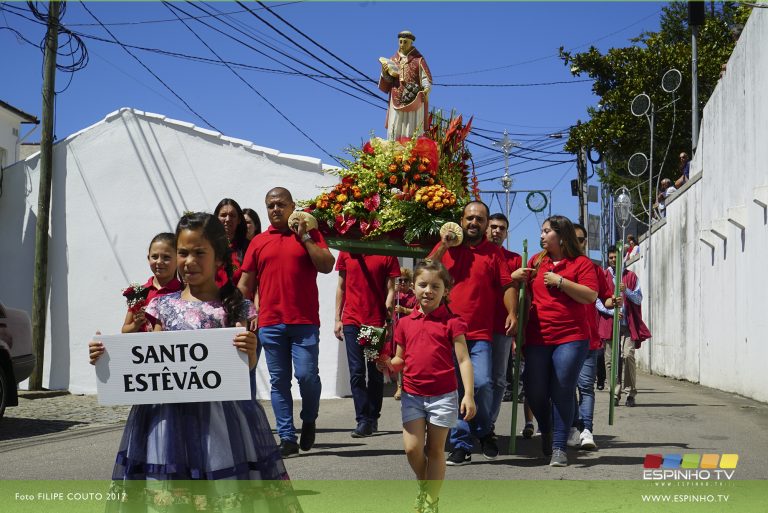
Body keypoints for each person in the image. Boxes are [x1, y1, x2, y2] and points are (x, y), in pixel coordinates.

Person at [88, 213, 294, 507]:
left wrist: (248, 349)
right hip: (165, 418)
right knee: (167, 490)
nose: (189, 261)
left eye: (200, 253)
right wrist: (108, 357)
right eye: (183, 253)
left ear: (219, 259)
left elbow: (244, 368)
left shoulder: (235, 308)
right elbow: (151, 357)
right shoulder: (161, 306)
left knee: (220, 487)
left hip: (220, 419)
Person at [238, 187, 335, 458]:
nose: (275, 210)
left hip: (304, 321)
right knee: (279, 381)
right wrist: (235, 312)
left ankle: (309, 417)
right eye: (270, 205)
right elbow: (245, 285)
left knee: (306, 376)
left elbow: (327, 265)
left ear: (293, 206)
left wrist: (304, 238)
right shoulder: (258, 242)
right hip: (270, 323)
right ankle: (287, 437)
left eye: (281, 204)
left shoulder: (310, 234)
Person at [378, 260, 475, 513]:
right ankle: (426, 488)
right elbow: (400, 359)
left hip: (443, 396)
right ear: (413, 287)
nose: (428, 291)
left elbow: (464, 360)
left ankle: (431, 500)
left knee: (435, 450)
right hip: (412, 395)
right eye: (422, 285)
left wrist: (469, 394)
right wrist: (386, 363)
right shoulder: (405, 323)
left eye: (435, 286)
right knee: (412, 449)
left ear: (446, 290)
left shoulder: (452, 322)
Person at [428, 201, 517, 466]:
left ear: (486, 224)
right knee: (454, 390)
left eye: (479, 219)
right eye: (469, 218)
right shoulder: (446, 249)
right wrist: (444, 244)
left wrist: (512, 312)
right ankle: (463, 443)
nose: (474, 223)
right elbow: (427, 270)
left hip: (479, 334)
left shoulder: (493, 253)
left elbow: (507, 285)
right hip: (448, 333)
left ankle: (484, 428)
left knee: (481, 384)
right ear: (461, 220)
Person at [519, 215, 598, 467]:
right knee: (534, 391)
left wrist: (561, 282)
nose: (541, 236)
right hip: (537, 336)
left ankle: (559, 447)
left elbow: (590, 296)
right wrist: (514, 276)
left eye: (546, 232)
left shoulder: (581, 263)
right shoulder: (536, 261)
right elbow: (520, 291)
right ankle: (547, 427)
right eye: (541, 231)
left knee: (562, 388)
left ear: (561, 236)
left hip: (571, 337)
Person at [334, 251, 399, 437]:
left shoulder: (386, 251)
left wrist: (388, 316)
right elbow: (341, 286)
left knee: (375, 372)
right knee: (356, 371)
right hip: (352, 322)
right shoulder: (346, 251)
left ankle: (372, 417)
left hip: (374, 322)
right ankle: (362, 420)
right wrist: (337, 319)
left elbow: (391, 288)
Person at [567, 223, 613, 451]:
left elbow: (605, 298)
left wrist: (613, 301)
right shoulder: (558, 266)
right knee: (566, 387)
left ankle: (586, 430)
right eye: (574, 239)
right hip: (564, 339)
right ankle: (574, 425)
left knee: (585, 387)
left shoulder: (596, 270)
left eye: (582, 239)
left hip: (589, 337)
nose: (578, 243)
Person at [597, 246, 652, 408]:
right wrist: (610, 312)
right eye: (611, 257)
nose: (614, 260)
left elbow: (638, 299)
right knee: (610, 360)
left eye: (617, 257)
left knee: (628, 355)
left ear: (623, 259)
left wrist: (626, 290)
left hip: (628, 325)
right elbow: (597, 300)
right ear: (608, 258)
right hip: (609, 324)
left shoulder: (631, 277)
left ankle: (630, 393)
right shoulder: (603, 276)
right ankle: (614, 392)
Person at [485, 213, 522, 435]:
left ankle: (488, 423)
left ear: (507, 233)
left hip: (503, 327)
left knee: (498, 378)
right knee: (476, 379)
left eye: (502, 228)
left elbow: (521, 295)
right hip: (477, 326)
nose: (497, 231)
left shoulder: (515, 259)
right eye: (493, 227)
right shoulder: (476, 254)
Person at [121, 233, 182, 333]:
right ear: (148, 258)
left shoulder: (183, 291)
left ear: (178, 259)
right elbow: (125, 330)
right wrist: (136, 324)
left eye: (166, 257)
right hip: (144, 347)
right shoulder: (139, 292)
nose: (159, 261)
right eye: (154, 257)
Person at [378, 30, 432, 140]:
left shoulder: (418, 59)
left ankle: (411, 147)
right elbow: (388, 81)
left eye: (405, 42)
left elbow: (425, 77)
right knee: (395, 123)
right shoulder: (393, 60)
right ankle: (394, 145)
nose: (402, 45)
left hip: (414, 98)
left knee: (412, 124)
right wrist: (385, 72)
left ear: (411, 43)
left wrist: (426, 89)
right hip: (396, 95)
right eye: (400, 42)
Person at [392, 267, 418, 401]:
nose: (402, 283)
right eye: (400, 280)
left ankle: (409, 384)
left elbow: (417, 312)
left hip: (409, 330)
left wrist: (404, 309)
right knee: (398, 359)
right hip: (396, 330)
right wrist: (392, 292)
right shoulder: (395, 296)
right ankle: (399, 386)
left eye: (405, 280)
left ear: (410, 282)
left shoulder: (414, 296)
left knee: (408, 359)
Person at [214, 198, 248, 288]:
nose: (228, 219)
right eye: (223, 215)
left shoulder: (248, 247)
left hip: (239, 300)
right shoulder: (208, 246)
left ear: (239, 220)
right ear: (216, 218)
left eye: (232, 215)